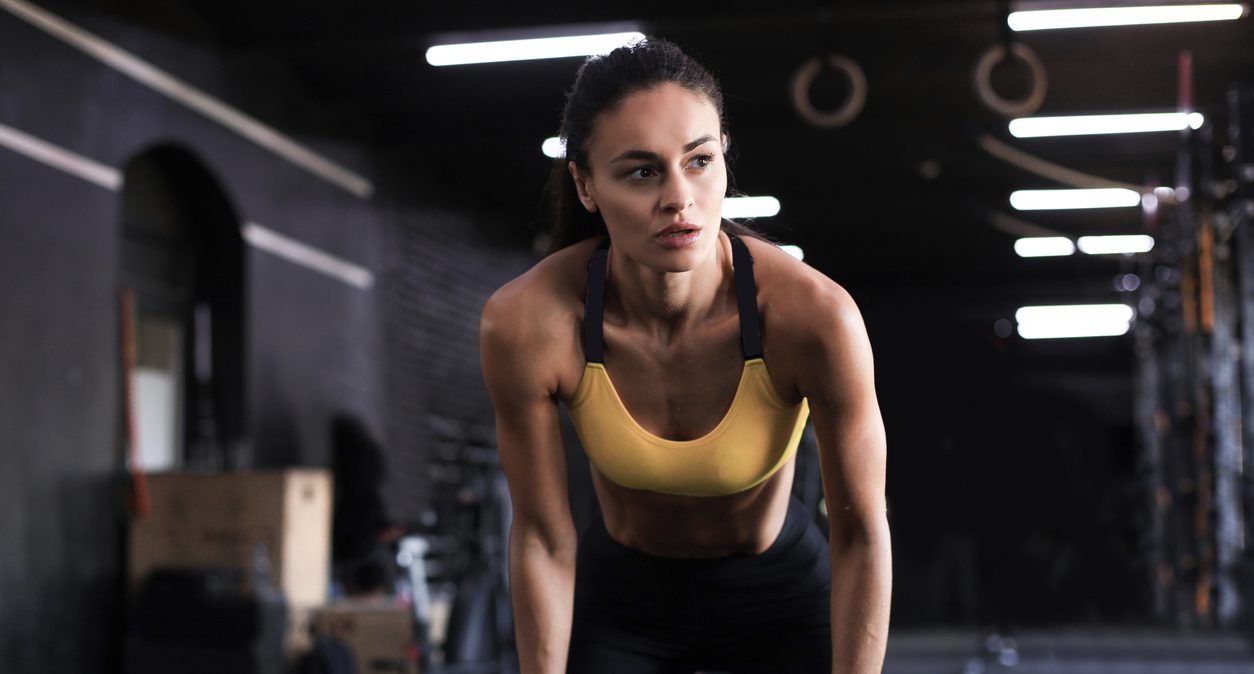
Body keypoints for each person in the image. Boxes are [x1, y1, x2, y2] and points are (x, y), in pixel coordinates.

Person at [479, 38, 890, 674]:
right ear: (586, 186)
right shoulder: (529, 323)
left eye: (698, 160)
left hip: (778, 595)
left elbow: (862, 533)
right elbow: (540, 535)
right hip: (623, 600)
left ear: (723, 156)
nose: (679, 198)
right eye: (642, 171)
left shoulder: (814, 318)